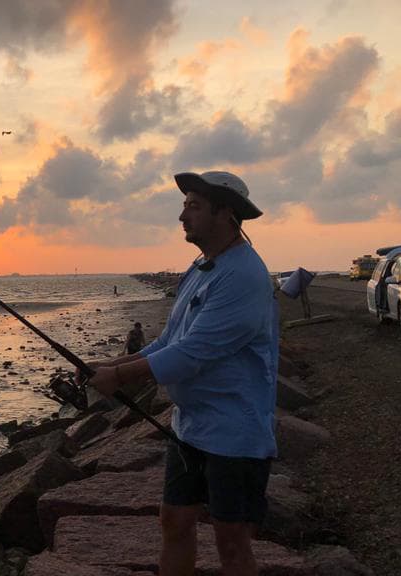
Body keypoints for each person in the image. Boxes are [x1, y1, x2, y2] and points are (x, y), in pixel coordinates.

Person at [82, 171, 278, 576]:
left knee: (232, 541)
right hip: (189, 427)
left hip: (234, 432)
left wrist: (120, 379)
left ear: (226, 214)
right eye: (184, 204)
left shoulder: (243, 275)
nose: (182, 216)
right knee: (173, 521)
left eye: (194, 206)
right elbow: (171, 341)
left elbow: (193, 354)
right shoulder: (203, 267)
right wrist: (109, 366)